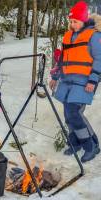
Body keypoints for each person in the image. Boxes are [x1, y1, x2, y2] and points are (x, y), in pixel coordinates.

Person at [49, 1, 101, 163]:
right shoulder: (68, 36)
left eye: (75, 21)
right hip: (67, 80)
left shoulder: (94, 35)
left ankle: (89, 146)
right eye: (70, 21)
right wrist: (55, 77)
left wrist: (93, 79)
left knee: (74, 112)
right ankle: (77, 142)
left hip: (85, 81)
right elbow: (62, 59)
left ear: (84, 20)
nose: (72, 24)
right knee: (68, 114)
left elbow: (99, 59)